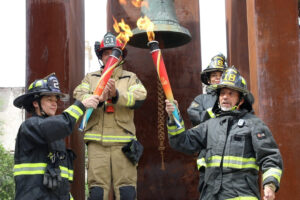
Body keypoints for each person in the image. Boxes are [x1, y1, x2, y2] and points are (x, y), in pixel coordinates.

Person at [165, 67, 283, 200]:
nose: (225, 97)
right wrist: (173, 117)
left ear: (241, 100)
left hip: (241, 195)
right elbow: (181, 142)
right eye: (222, 93)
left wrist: (270, 185)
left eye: (231, 93)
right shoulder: (210, 125)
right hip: (210, 196)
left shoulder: (254, 124)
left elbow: (270, 157)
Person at [73, 32, 147, 200]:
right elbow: (78, 94)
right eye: (106, 53)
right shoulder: (90, 78)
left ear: (121, 56)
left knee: (127, 190)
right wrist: (97, 98)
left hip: (123, 144)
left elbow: (140, 96)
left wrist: (116, 95)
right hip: (96, 144)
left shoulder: (130, 78)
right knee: (97, 191)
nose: (109, 56)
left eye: (113, 52)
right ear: (101, 56)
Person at [13, 73, 101, 200]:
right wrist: (81, 105)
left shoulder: (56, 138)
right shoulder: (30, 127)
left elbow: (61, 183)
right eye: (49, 99)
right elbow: (60, 125)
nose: (54, 103)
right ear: (35, 103)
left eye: (55, 100)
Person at [187, 53, 227, 192]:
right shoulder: (201, 100)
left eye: (221, 74)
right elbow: (194, 116)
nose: (217, 78)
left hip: (230, 153)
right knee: (208, 191)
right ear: (209, 79)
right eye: (214, 75)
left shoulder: (233, 98)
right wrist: (212, 112)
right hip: (207, 154)